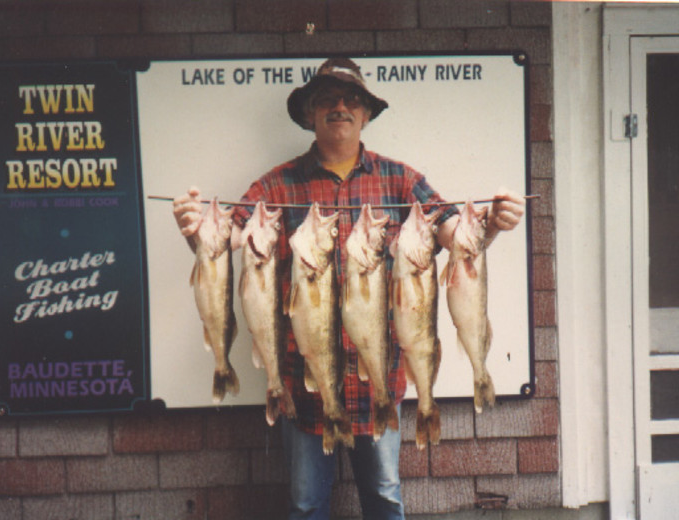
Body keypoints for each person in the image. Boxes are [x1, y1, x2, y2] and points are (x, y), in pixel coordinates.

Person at [173, 57, 525, 520]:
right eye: (327, 99)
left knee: (384, 499)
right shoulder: (278, 184)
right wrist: (197, 232)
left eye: (350, 100)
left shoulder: (401, 180)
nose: (339, 107)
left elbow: (451, 230)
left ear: (365, 114)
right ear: (309, 115)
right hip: (303, 385)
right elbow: (235, 235)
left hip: (378, 380)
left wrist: (493, 225)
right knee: (304, 505)